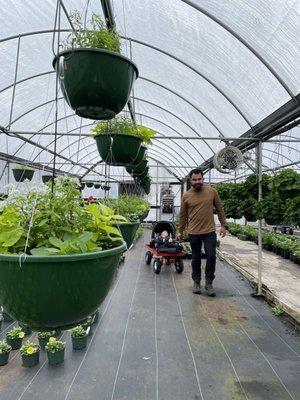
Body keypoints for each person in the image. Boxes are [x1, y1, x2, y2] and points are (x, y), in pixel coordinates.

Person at [177, 168, 227, 296]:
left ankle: (209, 283)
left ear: (203, 179)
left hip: (209, 231)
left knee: (211, 256)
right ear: (190, 180)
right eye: (194, 180)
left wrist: (223, 225)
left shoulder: (212, 192)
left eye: (199, 179)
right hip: (194, 232)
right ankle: (197, 282)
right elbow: (183, 215)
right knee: (196, 258)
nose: (197, 181)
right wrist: (180, 231)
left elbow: (220, 209)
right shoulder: (187, 195)